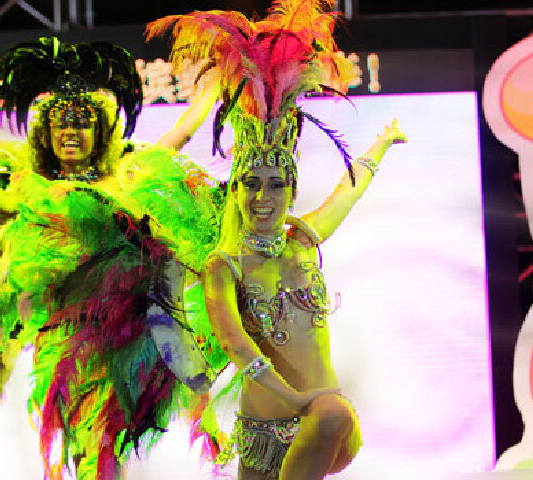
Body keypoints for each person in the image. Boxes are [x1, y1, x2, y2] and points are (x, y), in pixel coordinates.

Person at [0, 36, 218, 476]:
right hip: (60, 339)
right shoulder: (35, 188)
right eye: (60, 124)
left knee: (104, 445)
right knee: (77, 445)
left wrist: (211, 92)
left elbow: (177, 138)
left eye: (81, 123)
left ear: (100, 131)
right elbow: (11, 203)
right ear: (46, 134)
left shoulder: (124, 177)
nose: (71, 132)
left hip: (118, 336)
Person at [147, 1, 406, 478]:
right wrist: (297, 400)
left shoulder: (303, 241)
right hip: (267, 432)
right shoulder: (224, 267)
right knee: (328, 412)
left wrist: (382, 144)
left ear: (291, 190)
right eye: (251, 184)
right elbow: (238, 346)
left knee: (334, 414)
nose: (263, 197)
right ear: (237, 190)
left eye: (275, 184)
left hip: (326, 420)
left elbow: (346, 192)